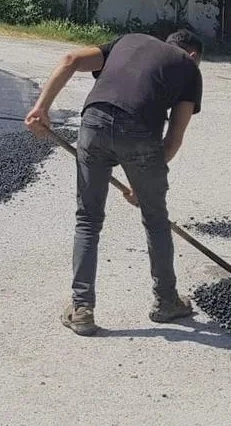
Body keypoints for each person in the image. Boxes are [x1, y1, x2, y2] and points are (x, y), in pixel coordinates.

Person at [25, 31, 204, 336]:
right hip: (139, 132)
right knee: (155, 220)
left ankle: (81, 309)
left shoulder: (129, 40)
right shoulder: (189, 69)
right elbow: (173, 139)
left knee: (88, 220)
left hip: (93, 123)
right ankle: (167, 301)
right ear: (193, 56)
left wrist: (41, 107)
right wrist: (146, 181)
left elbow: (70, 60)